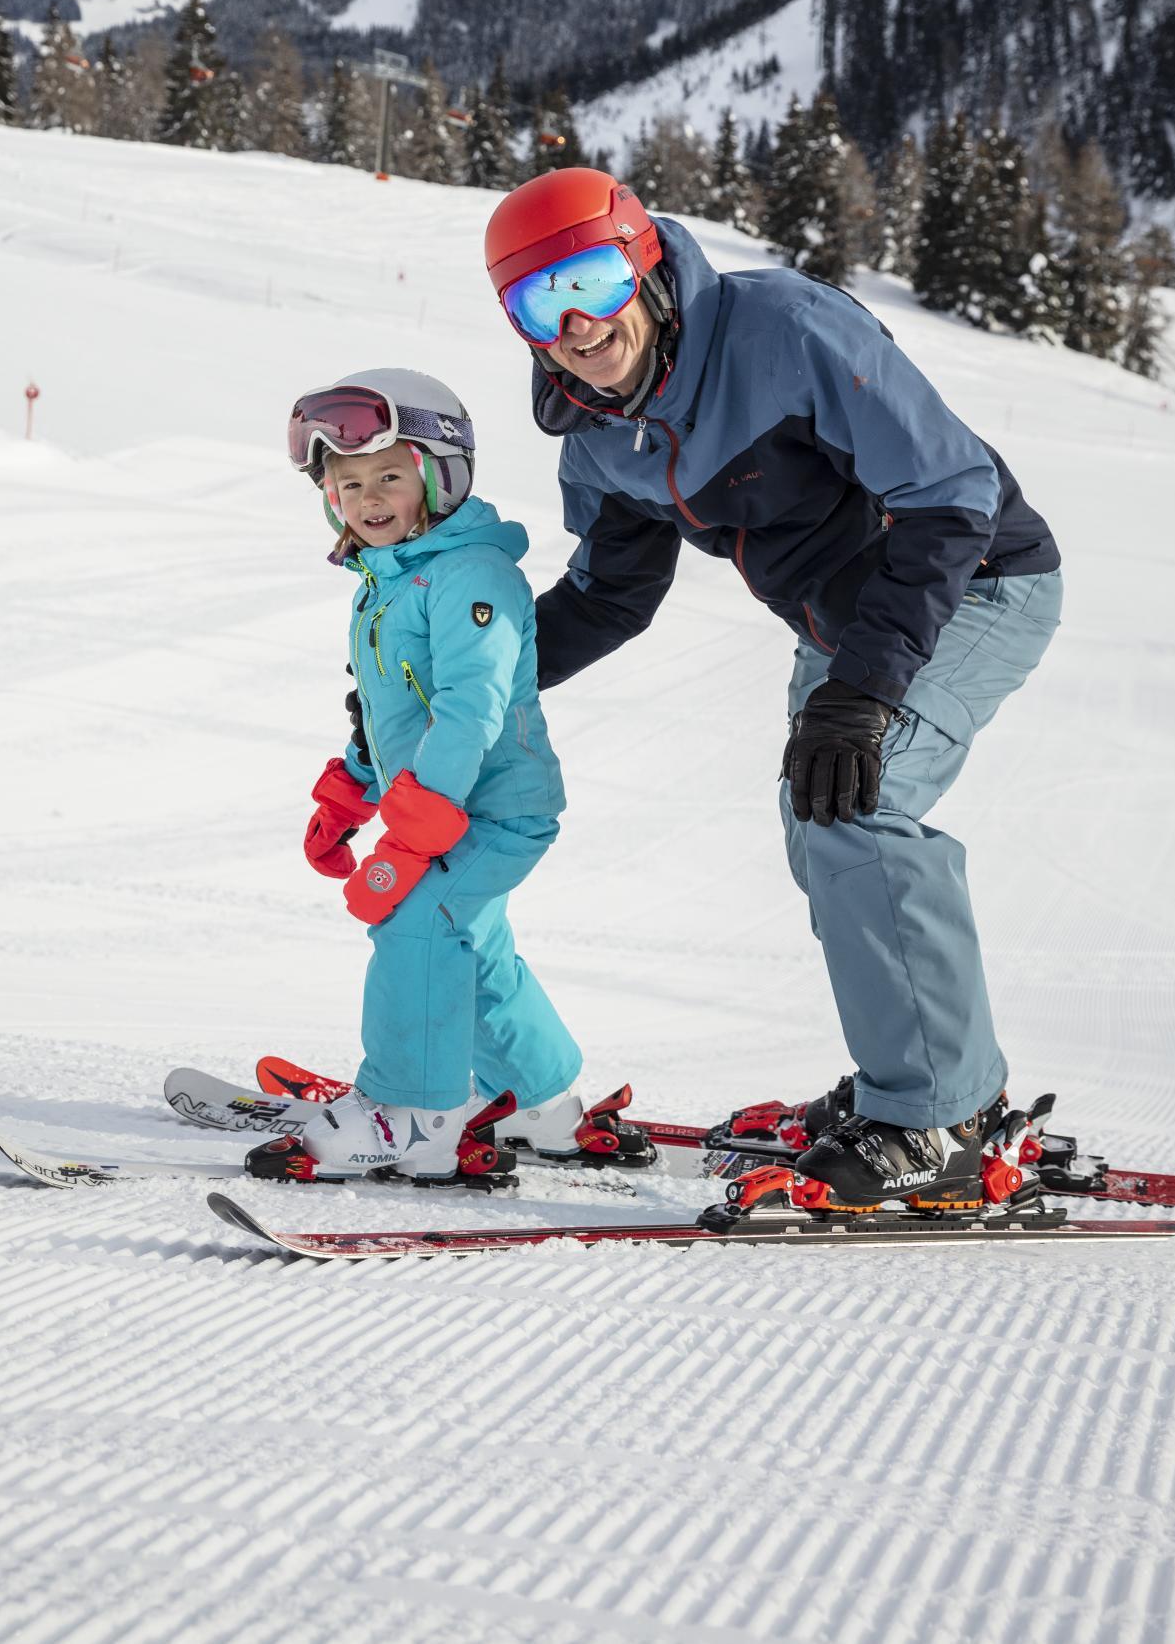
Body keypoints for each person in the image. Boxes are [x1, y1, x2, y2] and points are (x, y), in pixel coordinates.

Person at [484, 168, 1063, 1214]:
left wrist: (862, 691)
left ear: (645, 263)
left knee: (858, 804)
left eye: (594, 278)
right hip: (841, 627)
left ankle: (935, 1117)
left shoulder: (783, 330)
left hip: (971, 582)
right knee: (822, 824)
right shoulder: (597, 433)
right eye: (539, 302)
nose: (576, 323)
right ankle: (931, 1083)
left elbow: (949, 493)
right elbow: (609, 597)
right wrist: (462, 685)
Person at [258, 366, 642, 1187]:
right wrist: (349, 794)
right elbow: (386, 709)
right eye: (348, 481)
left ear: (439, 477)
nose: (367, 497)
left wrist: (422, 814)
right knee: (474, 943)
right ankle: (536, 1101)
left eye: (390, 476)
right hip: (435, 809)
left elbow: (472, 705)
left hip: (494, 810)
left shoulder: (471, 575)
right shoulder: (385, 583)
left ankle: (413, 1117)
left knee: (416, 923)